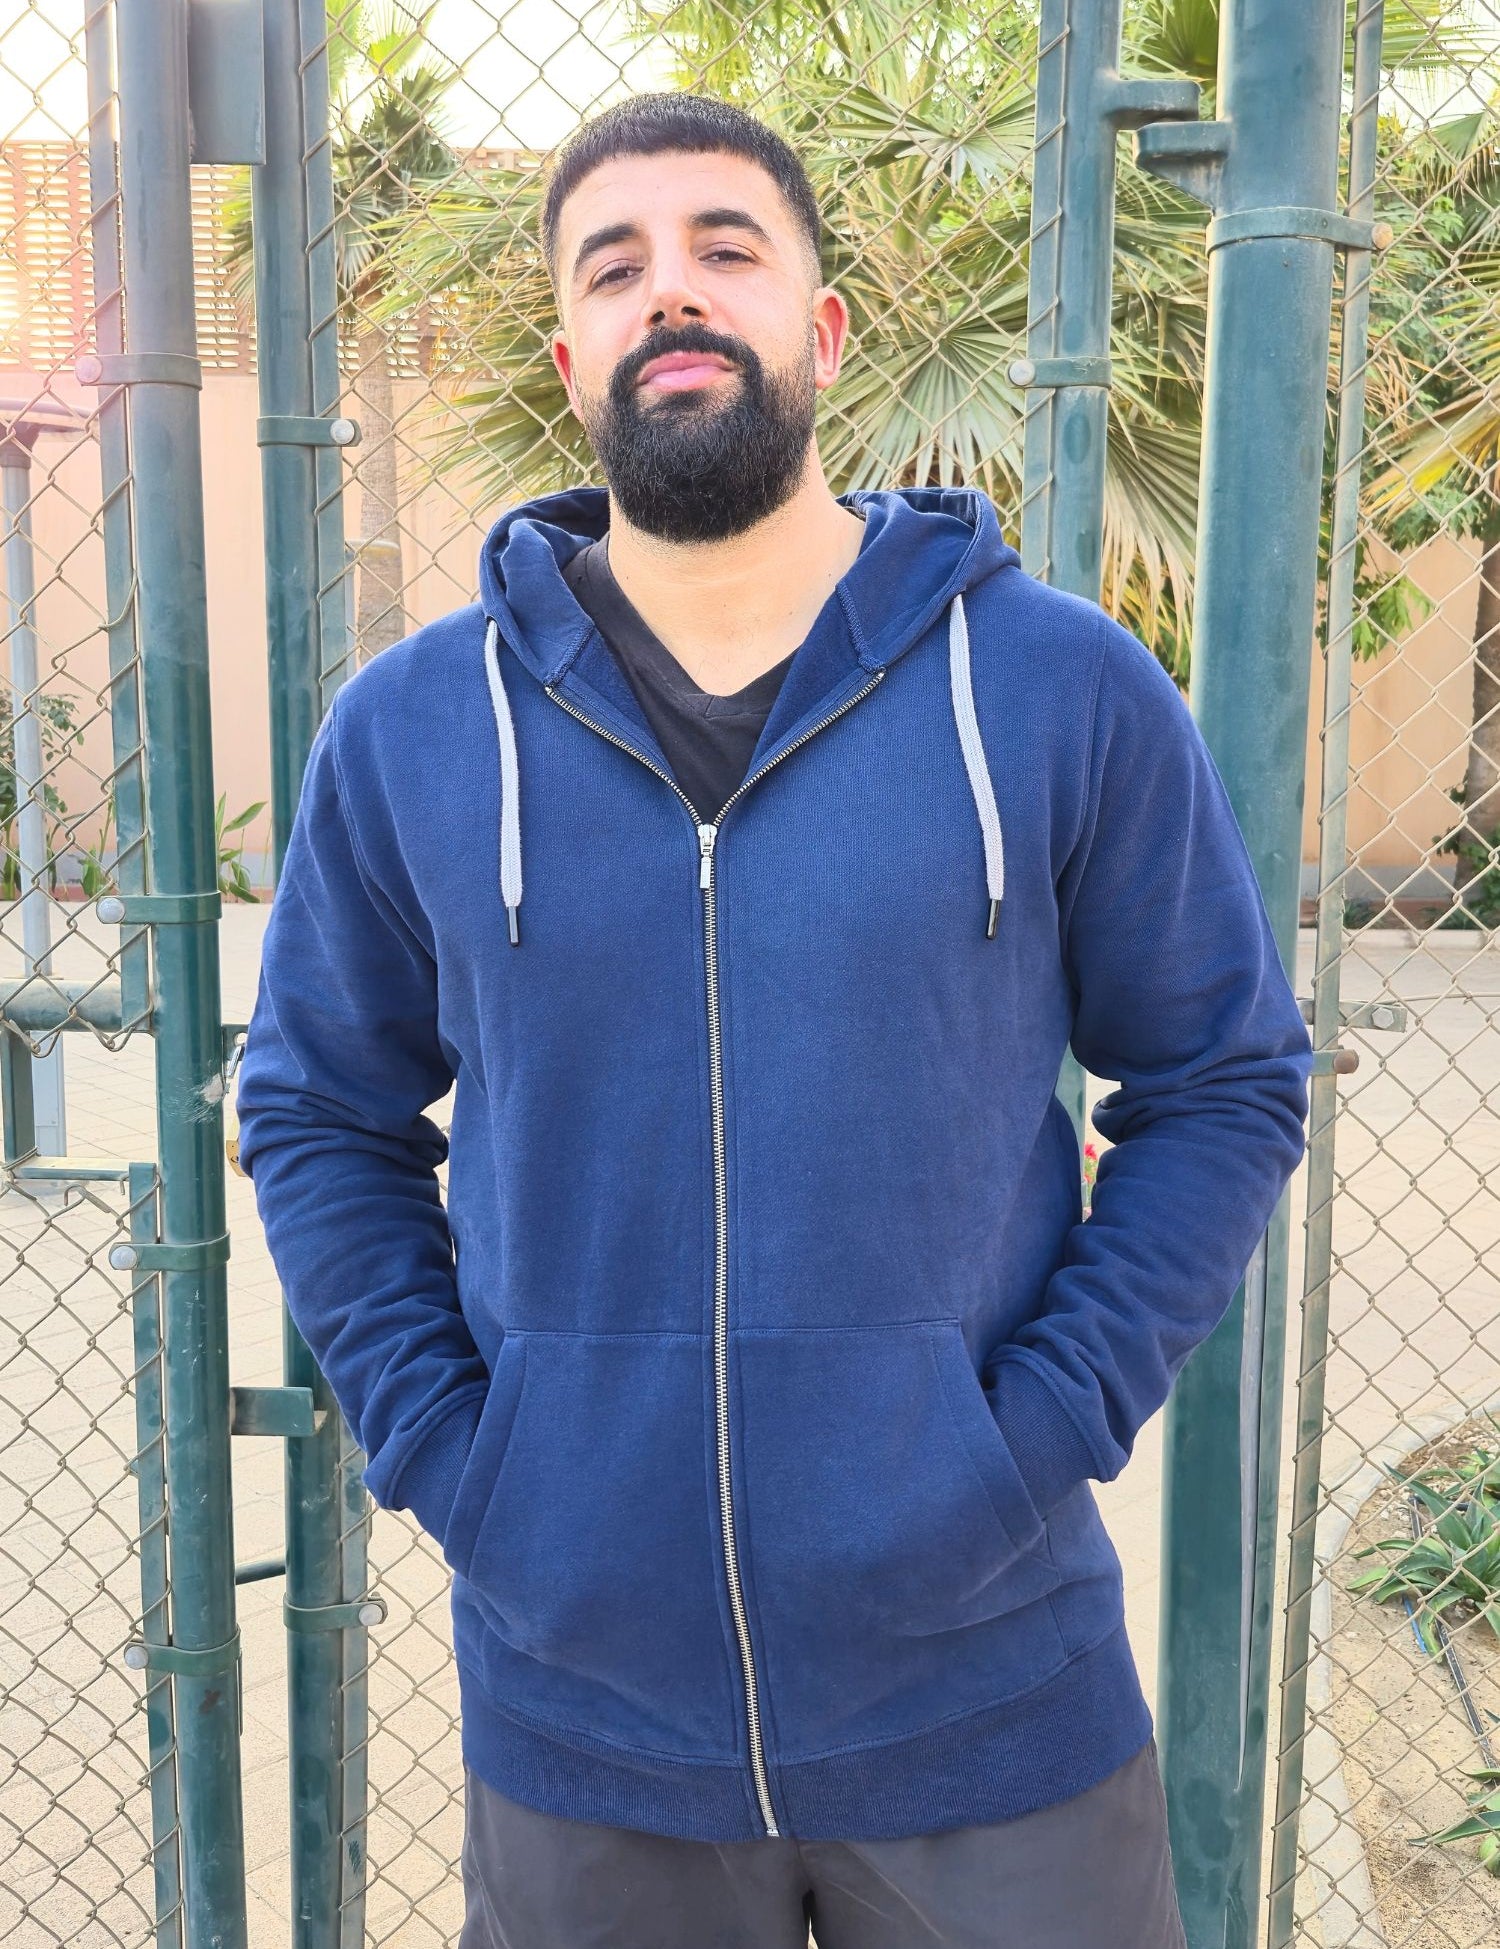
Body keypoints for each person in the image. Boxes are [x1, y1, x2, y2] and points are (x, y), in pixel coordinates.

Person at [234, 88, 1314, 1948]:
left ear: (820, 328)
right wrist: (466, 1462)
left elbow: (1223, 1077)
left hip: (994, 1694)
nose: (671, 292)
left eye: (723, 250)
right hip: (589, 1721)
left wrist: (1031, 1432)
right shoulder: (412, 730)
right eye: (614, 268)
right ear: (569, 355)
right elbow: (318, 1110)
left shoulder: (1058, 687)